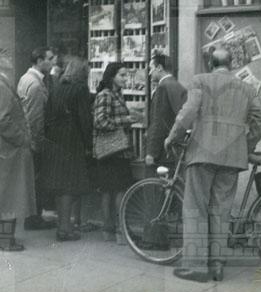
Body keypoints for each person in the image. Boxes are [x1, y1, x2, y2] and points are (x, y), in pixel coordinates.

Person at [164, 47, 261, 283]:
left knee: (195, 207)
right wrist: (246, 146)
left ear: (211, 63)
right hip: (232, 158)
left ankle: (195, 266)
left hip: (202, 153)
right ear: (231, 64)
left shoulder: (200, 81)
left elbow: (188, 112)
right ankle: (218, 265)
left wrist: (172, 136)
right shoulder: (246, 88)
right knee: (221, 210)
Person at [0, 45, 36, 251]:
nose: (9, 58)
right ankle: (4, 240)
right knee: (7, 193)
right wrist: (22, 139)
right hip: (5, 146)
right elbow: (2, 120)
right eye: (4, 56)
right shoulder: (0, 85)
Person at [41, 57, 93, 241]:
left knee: (60, 185)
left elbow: (47, 115)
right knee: (69, 186)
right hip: (72, 140)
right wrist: (89, 144)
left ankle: (63, 225)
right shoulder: (80, 89)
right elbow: (84, 119)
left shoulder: (56, 87)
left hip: (55, 140)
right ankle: (65, 228)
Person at [93, 62, 141, 242]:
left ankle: (112, 230)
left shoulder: (116, 94)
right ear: (112, 76)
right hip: (112, 150)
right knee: (115, 190)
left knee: (112, 190)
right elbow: (100, 122)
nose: (125, 79)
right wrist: (125, 120)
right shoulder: (105, 95)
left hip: (117, 150)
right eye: (122, 75)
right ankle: (118, 230)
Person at [17, 46, 57, 230]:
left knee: (32, 180)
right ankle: (34, 217)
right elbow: (35, 118)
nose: (53, 61)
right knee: (36, 180)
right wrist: (38, 143)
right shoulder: (35, 84)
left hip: (28, 139)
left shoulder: (26, 78)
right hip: (34, 140)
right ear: (40, 61)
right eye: (50, 58)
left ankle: (32, 216)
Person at [145, 54, 187, 167]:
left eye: (151, 69)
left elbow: (159, 121)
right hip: (176, 144)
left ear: (159, 67)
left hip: (164, 148)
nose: (149, 73)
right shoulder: (177, 85)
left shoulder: (163, 88)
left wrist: (151, 152)